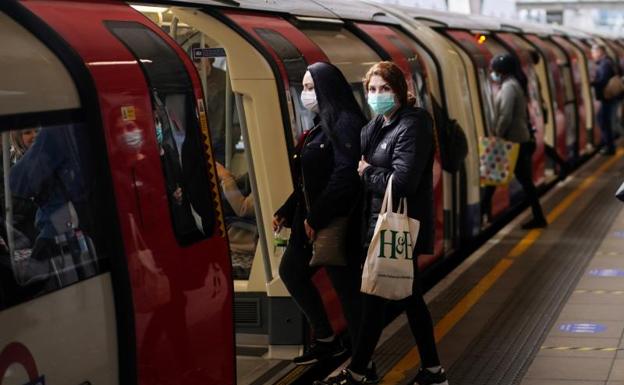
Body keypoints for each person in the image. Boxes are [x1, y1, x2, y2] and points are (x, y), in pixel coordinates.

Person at [315, 61, 448, 385]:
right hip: (378, 227)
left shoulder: (413, 125)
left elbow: (403, 182)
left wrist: (366, 172)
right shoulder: (377, 125)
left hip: (397, 226)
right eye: (372, 89)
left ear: (399, 91)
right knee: (403, 298)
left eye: (384, 89)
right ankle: (429, 371)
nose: (377, 95)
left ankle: (361, 371)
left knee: (379, 298)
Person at [272, 62, 367, 369]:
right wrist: (287, 211)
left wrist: (317, 218)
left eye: (311, 88)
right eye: (304, 88)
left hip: (337, 223)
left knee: (349, 294)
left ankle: (362, 366)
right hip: (310, 219)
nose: (306, 94)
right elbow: (308, 179)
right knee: (291, 271)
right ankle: (326, 339)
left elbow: (345, 177)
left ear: (328, 89)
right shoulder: (319, 125)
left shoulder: (345, 124)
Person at [483, 54, 547, 230]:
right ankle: (538, 216)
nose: (493, 73)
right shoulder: (513, 84)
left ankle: (479, 218)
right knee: (502, 180)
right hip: (517, 140)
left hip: (512, 142)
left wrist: (496, 133)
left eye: (494, 70)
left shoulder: (509, 87)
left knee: (493, 179)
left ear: (502, 71)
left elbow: (505, 114)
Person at [215, 161, 257, 280]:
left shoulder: (270, 176)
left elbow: (243, 209)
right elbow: (244, 183)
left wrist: (225, 177)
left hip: (247, 239)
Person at [591, 44, 617, 156]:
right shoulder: (608, 62)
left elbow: (603, 81)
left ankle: (609, 147)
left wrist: (591, 82)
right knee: (604, 120)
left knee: (603, 120)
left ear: (599, 52)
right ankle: (607, 144)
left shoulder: (604, 64)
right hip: (609, 97)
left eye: (593, 52)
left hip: (607, 97)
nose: (592, 55)